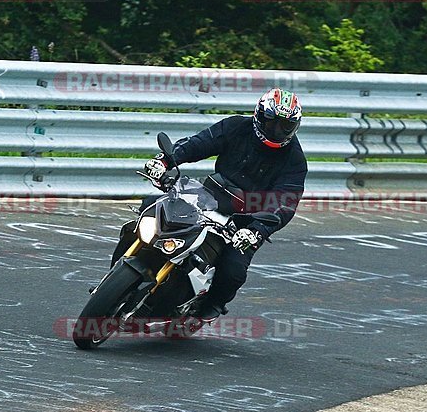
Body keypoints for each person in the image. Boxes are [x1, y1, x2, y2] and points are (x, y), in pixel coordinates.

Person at [118, 88, 308, 319]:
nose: (277, 131)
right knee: (150, 208)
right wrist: (166, 161)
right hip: (208, 197)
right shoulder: (236, 127)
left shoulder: (294, 160)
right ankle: (121, 271)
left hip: (246, 221)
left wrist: (257, 231)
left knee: (233, 271)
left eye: (285, 126)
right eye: (272, 123)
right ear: (258, 116)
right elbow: (199, 143)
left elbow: (285, 203)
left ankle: (210, 305)